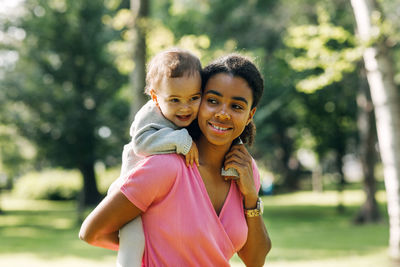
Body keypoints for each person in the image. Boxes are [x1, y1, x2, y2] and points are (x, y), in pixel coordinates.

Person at [79, 53, 272, 266]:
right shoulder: (165, 166)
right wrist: (152, 251)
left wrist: (250, 196)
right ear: (198, 99)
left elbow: (255, 260)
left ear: (250, 114)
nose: (223, 114)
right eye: (213, 101)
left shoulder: (246, 170)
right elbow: (92, 232)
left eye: (236, 106)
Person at [108, 48, 202, 267]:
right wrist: (180, 139)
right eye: (175, 100)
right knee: (133, 242)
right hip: (129, 192)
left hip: (156, 198)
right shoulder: (149, 114)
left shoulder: (188, 116)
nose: (185, 108)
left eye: (194, 98)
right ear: (155, 97)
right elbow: (141, 145)